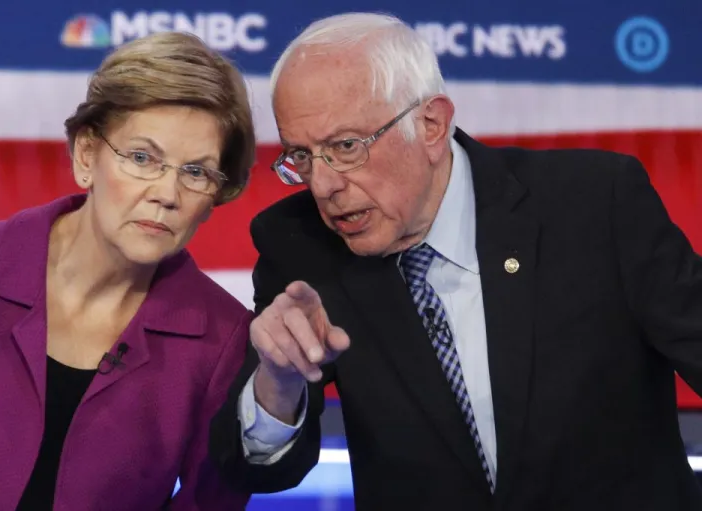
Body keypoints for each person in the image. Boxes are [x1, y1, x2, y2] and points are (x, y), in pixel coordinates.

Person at [208, 12, 702, 511]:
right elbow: (253, 469)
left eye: (345, 147)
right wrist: (279, 381)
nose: (323, 185)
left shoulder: (595, 202)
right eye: (302, 155)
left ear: (431, 125)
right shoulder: (299, 244)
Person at [0, 32, 255, 511]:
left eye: (196, 172)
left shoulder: (224, 341)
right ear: (87, 156)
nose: (167, 193)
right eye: (144, 158)